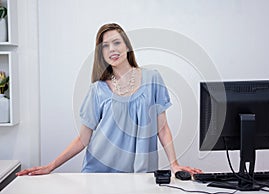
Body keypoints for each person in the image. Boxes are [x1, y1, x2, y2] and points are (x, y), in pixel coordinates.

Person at [17, 23, 202, 176]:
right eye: (105, 46)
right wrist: (51, 166)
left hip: (141, 175)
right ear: (101, 53)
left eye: (116, 43)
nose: (111, 49)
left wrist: (174, 164)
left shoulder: (152, 78)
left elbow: (162, 128)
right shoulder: (98, 89)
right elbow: (83, 139)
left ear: (127, 46)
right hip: (100, 174)